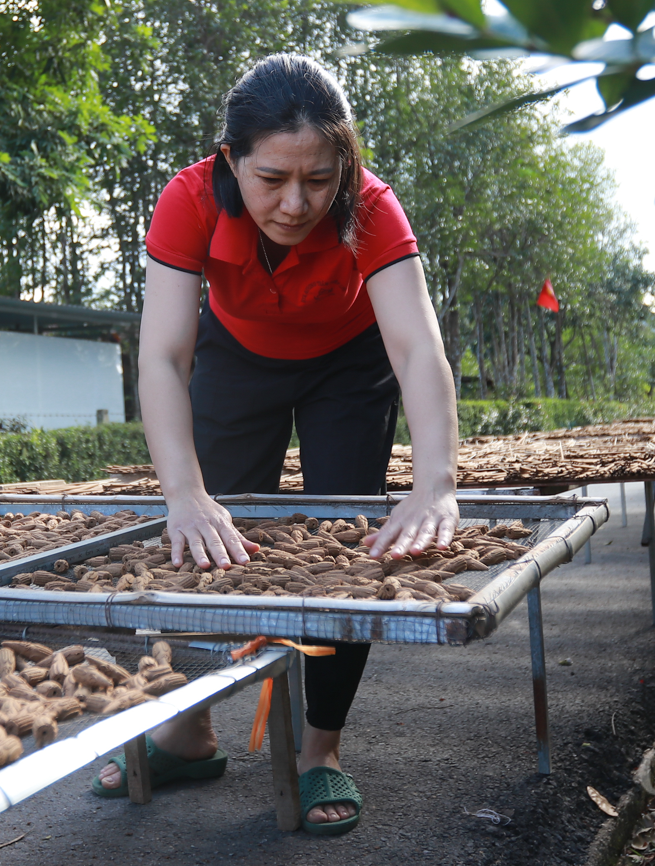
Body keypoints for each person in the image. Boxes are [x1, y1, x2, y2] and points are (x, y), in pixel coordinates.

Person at [90, 54, 461, 835]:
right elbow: (161, 354)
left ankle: (318, 747)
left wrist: (436, 483)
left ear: (345, 166)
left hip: (348, 364)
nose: (296, 203)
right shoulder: (188, 200)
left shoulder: (374, 207)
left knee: (352, 546)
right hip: (238, 356)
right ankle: (188, 730)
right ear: (231, 159)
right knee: (204, 539)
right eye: (272, 179)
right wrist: (184, 492)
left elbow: (417, 349)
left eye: (319, 179)